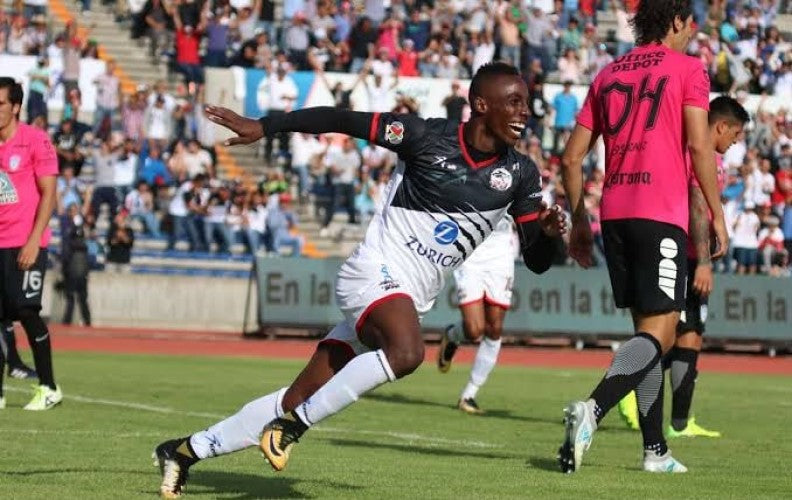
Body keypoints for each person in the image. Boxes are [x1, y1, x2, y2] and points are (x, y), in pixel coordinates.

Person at [153, 62, 567, 497]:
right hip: (372, 273)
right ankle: (292, 428)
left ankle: (184, 451)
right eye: (514, 102)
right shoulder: (424, 137)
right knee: (407, 353)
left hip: (405, 298)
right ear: (481, 104)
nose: (525, 112)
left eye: (525, 103)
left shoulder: (520, 173)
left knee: (296, 396)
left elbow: (538, 261)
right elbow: (341, 119)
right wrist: (266, 126)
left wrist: (549, 236)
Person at [557, 0, 729, 474]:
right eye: (690, 25)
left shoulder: (607, 74)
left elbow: (570, 158)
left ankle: (656, 450)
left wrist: (579, 222)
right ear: (676, 21)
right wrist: (716, 214)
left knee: (646, 335)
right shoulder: (688, 69)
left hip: (615, 214)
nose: (692, 33)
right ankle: (593, 409)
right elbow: (699, 145)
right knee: (661, 333)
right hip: (661, 213)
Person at [617, 96, 750, 438]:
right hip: (685, 256)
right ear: (721, 126)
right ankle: (628, 391)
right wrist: (703, 262)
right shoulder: (703, 155)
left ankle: (679, 423)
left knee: (687, 339)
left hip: (681, 252)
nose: (736, 141)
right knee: (667, 336)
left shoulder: (692, 150)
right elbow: (696, 204)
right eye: (735, 134)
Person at [0, 77, 62, 411]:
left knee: (26, 311)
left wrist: (34, 240)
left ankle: (49, 387)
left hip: (26, 242)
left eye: (0, 104)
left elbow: (49, 193)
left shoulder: (35, 140)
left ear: (15, 107)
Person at [437, 215, 517, 414]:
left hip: (501, 253)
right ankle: (452, 335)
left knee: (494, 329)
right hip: (471, 248)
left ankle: (468, 395)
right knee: (474, 330)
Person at [60, 202, 92, 326]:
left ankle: (85, 320)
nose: (73, 213)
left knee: (81, 297)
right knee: (71, 296)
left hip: (79, 267)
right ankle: (68, 320)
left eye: (75, 210)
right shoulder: (67, 225)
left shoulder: (78, 229)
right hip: (71, 266)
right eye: (71, 211)